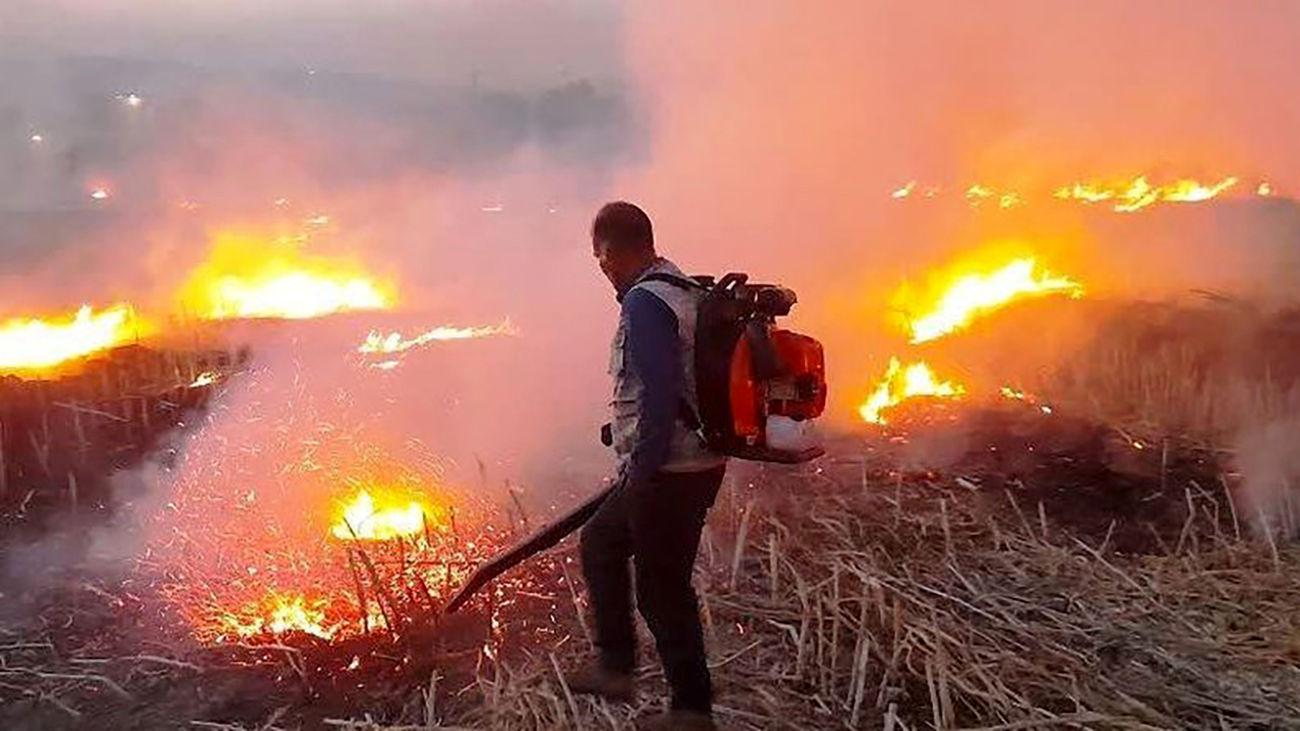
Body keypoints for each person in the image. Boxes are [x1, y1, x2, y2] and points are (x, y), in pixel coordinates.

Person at [566, 201, 727, 730]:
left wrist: (644, 467)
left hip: (669, 470)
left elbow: (659, 394)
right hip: (696, 460)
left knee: (662, 587)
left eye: (600, 257)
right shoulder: (683, 290)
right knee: (602, 541)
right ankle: (616, 665)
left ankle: (691, 711)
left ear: (613, 250)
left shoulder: (645, 303)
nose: (601, 268)